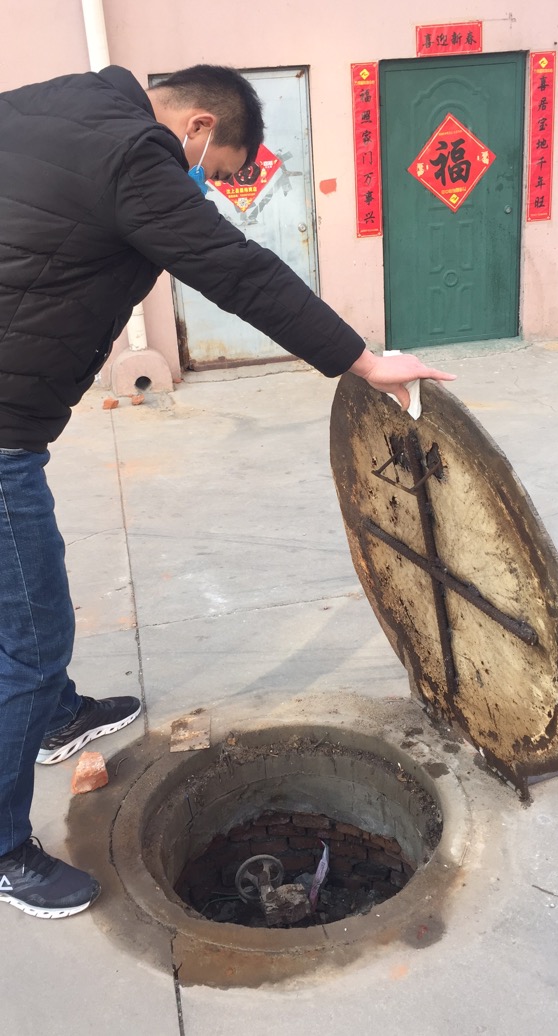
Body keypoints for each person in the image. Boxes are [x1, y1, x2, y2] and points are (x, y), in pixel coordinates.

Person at [0, 63, 455, 919]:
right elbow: (235, 269)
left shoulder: (52, 105)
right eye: (213, 172)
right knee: (30, 634)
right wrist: (363, 361)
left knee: (22, 594)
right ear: (198, 127)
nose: (205, 188)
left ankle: (58, 718)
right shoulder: (135, 153)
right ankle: (4, 851)